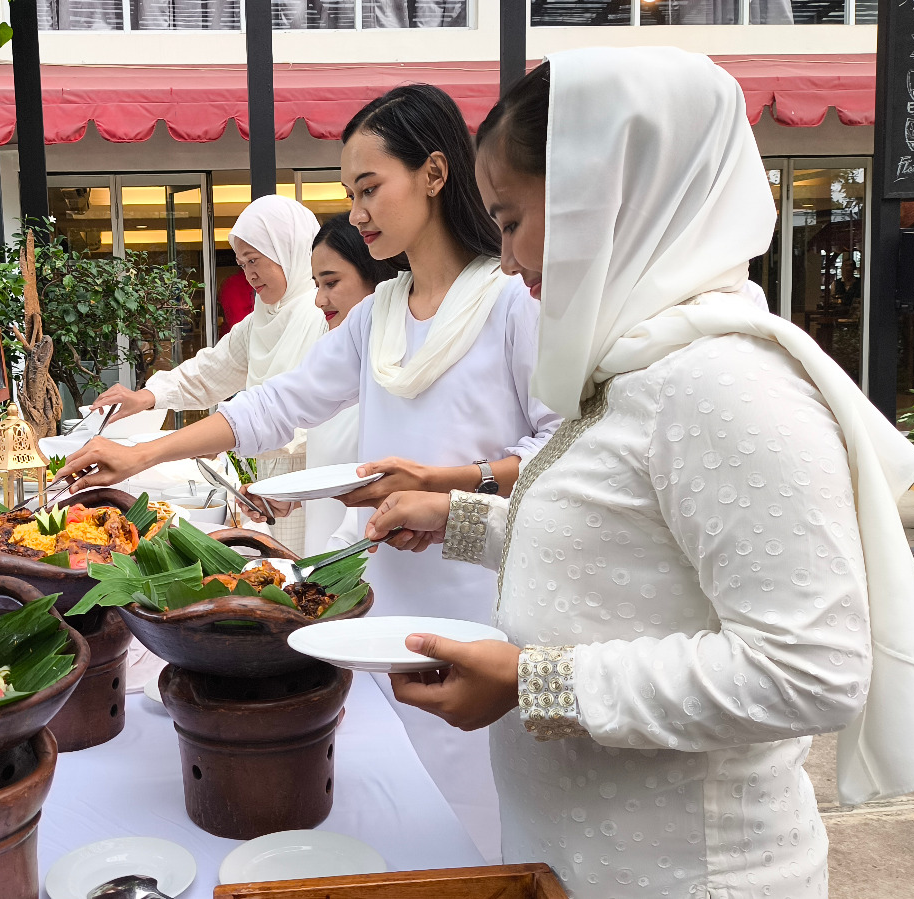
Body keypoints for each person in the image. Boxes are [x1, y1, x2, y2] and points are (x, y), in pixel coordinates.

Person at [366, 49, 914, 897]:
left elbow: (809, 669)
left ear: (609, 204)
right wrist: (457, 519)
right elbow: (622, 545)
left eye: (513, 218)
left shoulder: (725, 385)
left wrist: (537, 682)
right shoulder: (642, 362)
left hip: (686, 873)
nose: (511, 260)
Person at [63, 84, 562, 861]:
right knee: (396, 819)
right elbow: (273, 405)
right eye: (351, 194)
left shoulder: (508, 302)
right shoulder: (378, 313)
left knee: (477, 822)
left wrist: (450, 481)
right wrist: (141, 450)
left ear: (434, 173)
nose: (358, 214)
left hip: (484, 603)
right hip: (384, 596)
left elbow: (559, 449)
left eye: (370, 189)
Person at [93, 194, 331, 549]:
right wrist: (146, 396)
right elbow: (212, 370)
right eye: (241, 263)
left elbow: (294, 413)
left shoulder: (324, 316)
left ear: (289, 252)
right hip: (269, 486)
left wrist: (220, 438)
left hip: (318, 478)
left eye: (255, 260)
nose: (249, 273)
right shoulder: (263, 319)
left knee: (315, 561)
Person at [300, 213, 403, 554]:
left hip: (364, 560)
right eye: (316, 285)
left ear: (374, 277)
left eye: (331, 283)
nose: (319, 300)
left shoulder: (398, 370)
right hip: (324, 562)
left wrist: (340, 547)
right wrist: (294, 499)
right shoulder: (330, 359)